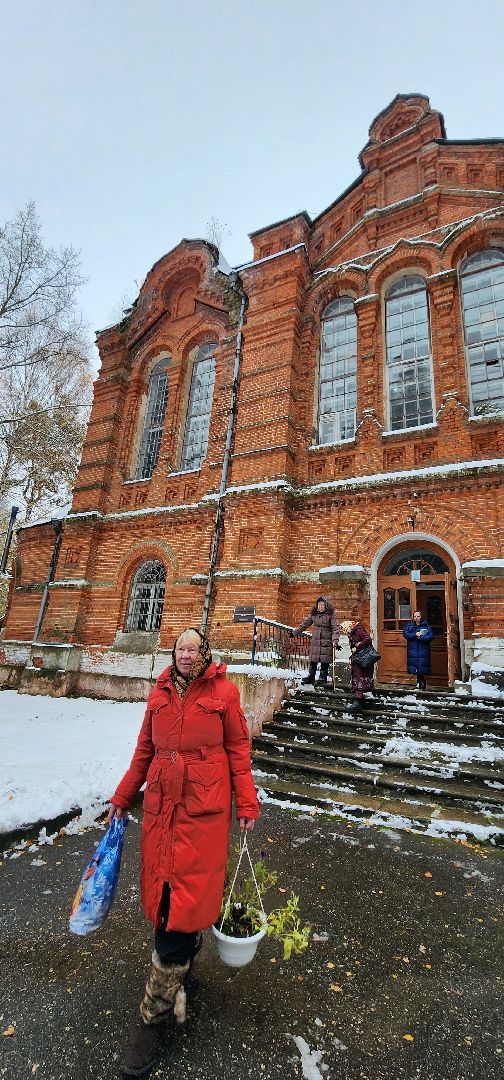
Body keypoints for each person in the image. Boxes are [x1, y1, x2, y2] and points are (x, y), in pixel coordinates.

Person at [107, 628, 260, 1079]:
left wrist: (247, 803)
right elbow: (143, 751)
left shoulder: (224, 691)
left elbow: (238, 748)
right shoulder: (159, 692)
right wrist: (122, 797)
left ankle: (152, 1019)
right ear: (173, 653)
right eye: (180, 648)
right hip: (161, 808)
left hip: (203, 811)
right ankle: (181, 969)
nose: (186, 654)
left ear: (205, 652)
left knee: (183, 898)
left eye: (193, 647)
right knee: (165, 895)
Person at [289, 595, 341, 685]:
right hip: (316, 641)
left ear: (326, 605)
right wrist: (294, 633)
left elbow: (335, 628)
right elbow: (305, 624)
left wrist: (335, 641)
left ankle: (322, 677)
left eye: (322, 605)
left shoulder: (331, 615)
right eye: (319, 605)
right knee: (313, 660)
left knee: (325, 660)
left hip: (326, 640)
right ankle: (311, 676)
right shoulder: (314, 614)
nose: (320, 607)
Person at [341, 617, 375, 712]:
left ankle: (358, 702)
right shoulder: (353, 633)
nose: (346, 633)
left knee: (359, 678)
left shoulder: (359, 630)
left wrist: (357, 646)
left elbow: (368, 639)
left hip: (362, 659)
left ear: (349, 626)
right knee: (357, 678)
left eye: (345, 630)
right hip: (358, 659)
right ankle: (361, 701)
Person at [403, 610, 434, 690]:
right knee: (415, 667)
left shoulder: (426, 626)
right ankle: (418, 684)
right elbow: (405, 634)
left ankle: (422, 684)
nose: (416, 618)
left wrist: (421, 637)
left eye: (418, 616)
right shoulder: (409, 626)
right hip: (413, 650)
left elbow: (431, 636)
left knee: (422, 667)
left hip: (423, 650)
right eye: (415, 616)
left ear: (421, 617)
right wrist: (415, 634)